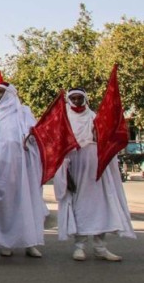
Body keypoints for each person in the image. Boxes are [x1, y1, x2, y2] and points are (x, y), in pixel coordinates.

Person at [54, 88, 134, 261]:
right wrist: (66, 175)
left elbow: (106, 139)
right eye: (73, 98)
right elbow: (61, 149)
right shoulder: (64, 120)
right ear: (68, 100)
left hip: (98, 168)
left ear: (85, 99)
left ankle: (100, 247)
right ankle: (79, 247)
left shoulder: (94, 117)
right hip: (76, 169)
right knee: (80, 207)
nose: (76, 101)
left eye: (79, 98)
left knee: (101, 206)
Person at [0, 83, 47, 258]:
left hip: (24, 169)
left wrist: (29, 138)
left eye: (1, 93)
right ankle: (7, 243)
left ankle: (30, 243)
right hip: (1, 169)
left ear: (10, 94)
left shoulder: (24, 113)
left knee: (26, 204)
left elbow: (36, 133)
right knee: (6, 206)